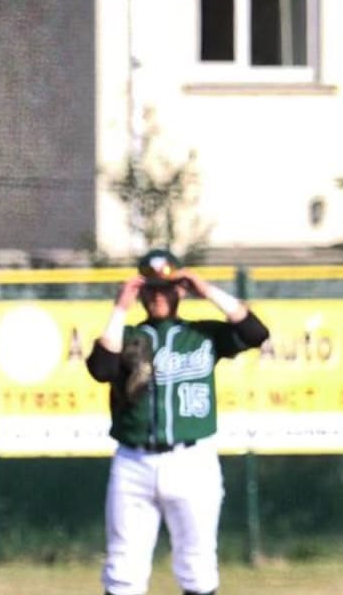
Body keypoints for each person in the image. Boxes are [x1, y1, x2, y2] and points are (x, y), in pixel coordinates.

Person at [87, 248, 270, 595]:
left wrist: (208, 291)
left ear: (180, 291)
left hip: (192, 461)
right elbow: (102, 369)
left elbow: (255, 333)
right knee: (122, 569)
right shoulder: (127, 339)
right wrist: (119, 307)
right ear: (142, 294)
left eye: (166, 288)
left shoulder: (202, 335)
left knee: (197, 566)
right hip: (134, 463)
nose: (159, 296)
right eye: (152, 290)